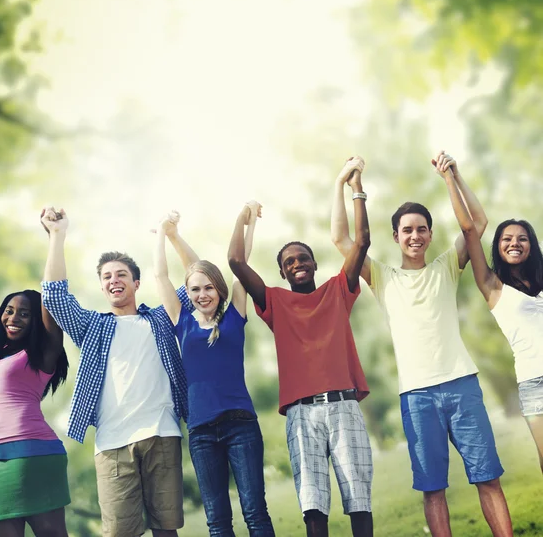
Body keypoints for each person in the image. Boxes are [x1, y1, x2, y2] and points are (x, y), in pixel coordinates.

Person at [332, 152, 513, 537]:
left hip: (462, 385)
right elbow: (342, 239)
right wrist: (346, 187)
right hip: (416, 397)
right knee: (433, 489)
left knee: (487, 477)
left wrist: (454, 176)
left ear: (430, 235)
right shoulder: (382, 276)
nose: (415, 236)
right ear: (396, 236)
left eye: (422, 229)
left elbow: (477, 224)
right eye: (407, 230)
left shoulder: (446, 266)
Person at [228, 161, 374, 537]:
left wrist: (354, 188)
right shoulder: (274, 302)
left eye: (302, 258)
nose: (297, 264)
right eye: (289, 261)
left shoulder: (339, 290)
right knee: (313, 505)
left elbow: (362, 242)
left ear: (314, 263)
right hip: (302, 415)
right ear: (282, 272)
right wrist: (243, 219)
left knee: (359, 499)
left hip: (344, 406)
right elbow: (235, 261)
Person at [40, 207, 198, 537]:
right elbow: (55, 296)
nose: (114, 280)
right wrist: (57, 235)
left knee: (166, 530)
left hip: (162, 433)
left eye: (121, 274)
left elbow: (199, 278)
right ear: (101, 287)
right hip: (112, 443)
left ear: (136, 283)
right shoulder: (92, 328)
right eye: (107, 277)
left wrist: (172, 236)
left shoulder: (161, 318)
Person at [153, 204, 275, 537]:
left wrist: (246, 223)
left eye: (208, 287)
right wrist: (163, 233)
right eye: (195, 289)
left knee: (255, 512)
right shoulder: (181, 320)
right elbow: (161, 276)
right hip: (202, 431)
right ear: (188, 294)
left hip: (240, 425)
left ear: (218, 288)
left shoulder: (235, 312)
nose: (202, 294)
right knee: (217, 521)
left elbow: (241, 265)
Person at [439, 156, 543, 474]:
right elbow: (470, 229)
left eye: (522, 238)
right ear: (497, 246)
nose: (515, 243)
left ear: (532, 245)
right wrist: (452, 178)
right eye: (507, 239)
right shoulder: (492, 286)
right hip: (534, 380)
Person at [0, 230, 70, 537]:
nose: (13, 317)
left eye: (25, 314)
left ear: (37, 321)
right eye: (9, 311)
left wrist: (54, 239)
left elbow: (52, 298)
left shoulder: (42, 353)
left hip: (35, 453)